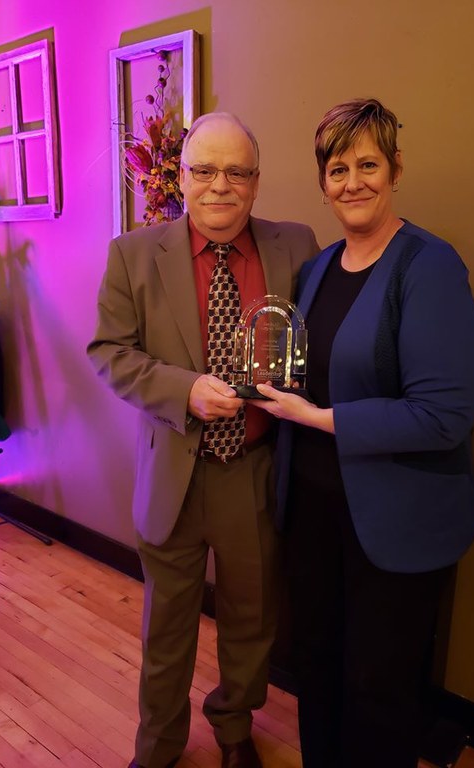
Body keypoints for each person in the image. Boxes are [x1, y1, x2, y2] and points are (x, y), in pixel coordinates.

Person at [252, 98, 474, 768]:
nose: (351, 181)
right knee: (317, 671)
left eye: (367, 164)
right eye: (336, 168)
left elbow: (444, 416)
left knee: (378, 692)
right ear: (323, 181)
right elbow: (308, 374)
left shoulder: (429, 267)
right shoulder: (317, 270)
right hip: (316, 514)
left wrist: (319, 419)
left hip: (397, 521)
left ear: (395, 168)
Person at [87, 112, 319, 768]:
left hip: (255, 466)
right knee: (168, 627)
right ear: (181, 177)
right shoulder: (132, 253)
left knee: (252, 621)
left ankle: (233, 723)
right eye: (204, 170)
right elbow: (109, 351)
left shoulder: (296, 245)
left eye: (237, 172)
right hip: (174, 471)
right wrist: (182, 390)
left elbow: (319, 334)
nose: (220, 186)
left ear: (256, 181)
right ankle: (158, 744)